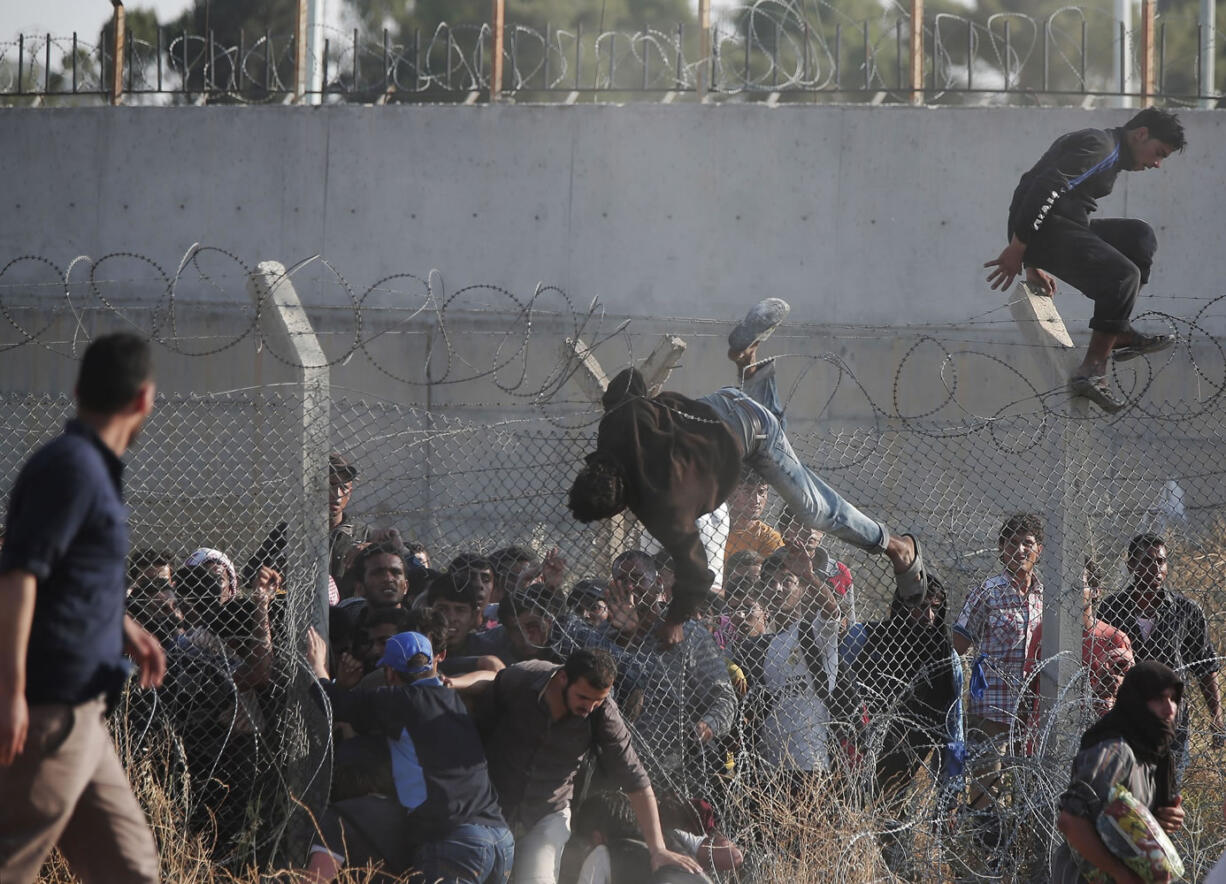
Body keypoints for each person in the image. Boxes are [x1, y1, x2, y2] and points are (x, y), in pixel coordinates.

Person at [567, 299, 927, 647]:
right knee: (781, 445)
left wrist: (674, 621)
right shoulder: (613, 428)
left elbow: (697, 573)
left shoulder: (662, 505)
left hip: (752, 434)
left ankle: (896, 546)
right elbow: (629, 382)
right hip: (721, 404)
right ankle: (748, 363)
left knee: (814, 509)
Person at [0, 332, 164, 884]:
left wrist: (126, 628)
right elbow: (19, 575)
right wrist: (11, 694)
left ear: (77, 391)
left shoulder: (88, 469)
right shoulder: (72, 469)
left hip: (85, 717)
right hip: (49, 715)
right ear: (144, 399)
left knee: (132, 871)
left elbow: (67, 579)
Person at [984, 108, 1187, 412]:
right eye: (1158, 153)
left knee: (1139, 236)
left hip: (1063, 230)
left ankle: (1117, 330)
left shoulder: (1109, 150)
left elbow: (1034, 183)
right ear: (1141, 134)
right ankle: (1092, 369)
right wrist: (1019, 249)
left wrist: (1030, 262)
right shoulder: (1102, 148)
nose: (1156, 164)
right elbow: (1042, 188)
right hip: (1050, 233)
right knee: (1124, 275)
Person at [470, 648, 702, 884]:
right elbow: (477, 731)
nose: (590, 707)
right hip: (492, 804)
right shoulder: (521, 680)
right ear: (562, 678)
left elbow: (634, 777)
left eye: (598, 700)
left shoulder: (603, 714)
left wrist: (658, 849)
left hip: (546, 812)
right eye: (583, 697)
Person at [305, 629, 514, 883]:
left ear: (390, 673)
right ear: (433, 664)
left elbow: (332, 701)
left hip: (456, 843)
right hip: (500, 840)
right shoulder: (452, 698)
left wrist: (318, 667)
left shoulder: (401, 701)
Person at [1097, 534, 1224, 780]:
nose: (1154, 568)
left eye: (1160, 561)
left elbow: (1205, 666)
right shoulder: (1112, 609)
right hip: (1128, 721)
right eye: (1145, 561)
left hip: (1172, 724)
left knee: (1167, 795)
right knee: (1130, 794)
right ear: (1131, 565)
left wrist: (1216, 716)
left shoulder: (1186, 611)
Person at [1050, 661, 1186, 883]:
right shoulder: (1113, 750)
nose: (1170, 708)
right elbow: (1071, 821)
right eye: (1160, 698)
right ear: (1137, 701)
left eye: (1173, 699)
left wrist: (1165, 819)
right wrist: (1122, 876)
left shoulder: (1154, 753)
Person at [951, 513, 1045, 834]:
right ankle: (982, 852)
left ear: (1039, 550)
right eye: (1012, 543)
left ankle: (1017, 853)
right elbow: (958, 645)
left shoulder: (1046, 597)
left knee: (1026, 791)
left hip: (1032, 714)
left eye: (1027, 543)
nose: (1020, 550)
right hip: (991, 709)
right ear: (1001, 549)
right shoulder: (987, 593)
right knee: (986, 792)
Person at [1080, 558, 1134, 718]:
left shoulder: (1115, 639)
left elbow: (1128, 693)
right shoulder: (1044, 632)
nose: (1070, 590)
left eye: (1079, 584)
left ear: (1095, 591)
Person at [328, 451, 368, 584]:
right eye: (331, 485)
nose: (337, 494)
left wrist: (371, 548)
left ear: (349, 494)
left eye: (343, 487)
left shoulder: (362, 533)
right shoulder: (290, 531)